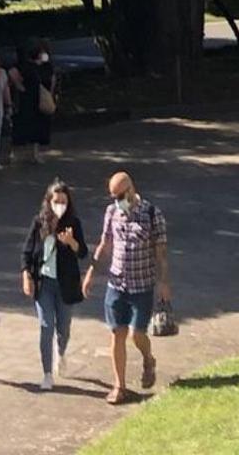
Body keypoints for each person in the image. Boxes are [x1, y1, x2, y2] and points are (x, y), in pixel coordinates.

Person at [83, 168, 170, 406]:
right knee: (117, 333)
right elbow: (105, 244)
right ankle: (119, 386)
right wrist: (91, 271)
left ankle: (148, 358)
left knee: (136, 334)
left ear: (131, 189)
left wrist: (164, 281)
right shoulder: (111, 212)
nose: (117, 201)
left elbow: (161, 253)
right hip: (117, 284)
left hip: (142, 285)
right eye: (113, 197)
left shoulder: (152, 214)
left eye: (120, 195)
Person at [20, 179, 88, 392]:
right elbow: (27, 252)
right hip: (45, 284)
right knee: (46, 326)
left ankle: (62, 351)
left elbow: (83, 252)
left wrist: (71, 242)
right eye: (56, 201)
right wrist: (26, 275)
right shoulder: (39, 222)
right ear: (48, 202)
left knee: (64, 327)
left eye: (63, 202)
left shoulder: (73, 223)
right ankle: (47, 373)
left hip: (66, 284)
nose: (59, 205)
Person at [10, 42, 56, 164]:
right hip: (28, 100)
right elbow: (13, 72)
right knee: (24, 125)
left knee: (39, 127)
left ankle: (35, 154)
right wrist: (20, 86)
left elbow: (52, 79)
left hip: (40, 99)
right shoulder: (26, 66)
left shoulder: (46, 66)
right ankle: (16, 153)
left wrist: (50, 94)